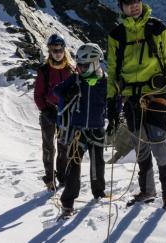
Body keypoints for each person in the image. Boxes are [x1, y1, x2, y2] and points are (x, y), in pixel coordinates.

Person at [106, 0, 166, 209]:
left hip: (156, 94)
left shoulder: (159, 29)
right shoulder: (116, 36)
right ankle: (147, 191)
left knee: (158, 144)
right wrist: (111, 101)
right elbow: (112, 72)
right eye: (128, 2)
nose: (134, 5)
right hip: (131, 98)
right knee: (140, 147)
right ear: (121, 6)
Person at [54, 43, 113, 219]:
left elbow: (114, 101)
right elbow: (57, 90)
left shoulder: (105, 82)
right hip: (77, 130)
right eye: (79, 65)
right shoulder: (76, 79)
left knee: (98, 163)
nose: (79, 68)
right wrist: (67, 93)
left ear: (96, 63)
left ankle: (99, 192)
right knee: (73, 165)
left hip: (96, 128)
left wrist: (115, 116)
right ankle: (68, 203)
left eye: (84, 65)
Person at [33, 34, 75, 191]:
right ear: (49, 51)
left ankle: (62, 176)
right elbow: (38, 94)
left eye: (60, 49)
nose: (57, 53)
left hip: (65, 112)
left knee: (64, 145)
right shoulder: (44, 70)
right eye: (54, 50)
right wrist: (45, 110)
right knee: (49, 146)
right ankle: (50, 178)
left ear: (64, 49)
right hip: (49, 112)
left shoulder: (70, 69)